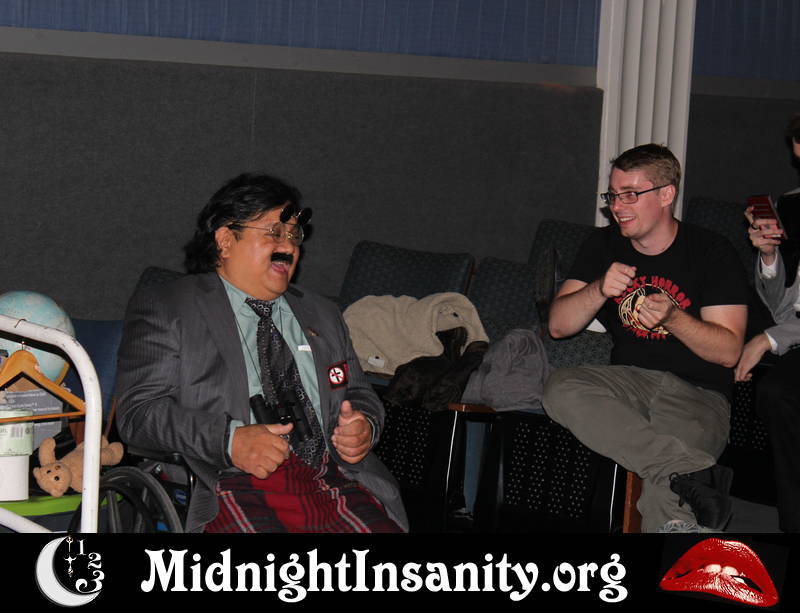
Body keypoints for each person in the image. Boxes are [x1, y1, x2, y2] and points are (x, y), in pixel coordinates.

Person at [116, 173, 407, 533]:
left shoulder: (323, 313)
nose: (289, 247)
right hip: (230, 481)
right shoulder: (170, 306)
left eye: (294, 236)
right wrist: (229, 440)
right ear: (225, 240)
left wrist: (364, 426)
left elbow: (358, 391)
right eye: (273, 232)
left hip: (333, 478)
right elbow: (138, 415)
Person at [543, 144, 748, 532]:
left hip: (699, 394)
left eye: (630, 195)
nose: (617, 207)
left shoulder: (711, 250)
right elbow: (558, 326)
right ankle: (691, 470)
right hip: (628, 383)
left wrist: (673, 318)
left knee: (665, 499)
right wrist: (598, 288)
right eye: (613, 195)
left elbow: (728, 352)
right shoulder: (603, 245)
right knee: (560, 386)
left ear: (666, 194)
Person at [735, 115, 800, 533]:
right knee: (776, 391)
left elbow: (778, 326)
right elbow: (781, 305)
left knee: (779, 390)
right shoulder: (793, 204)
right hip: (794, 330)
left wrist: (770, 339)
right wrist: (769, 255)